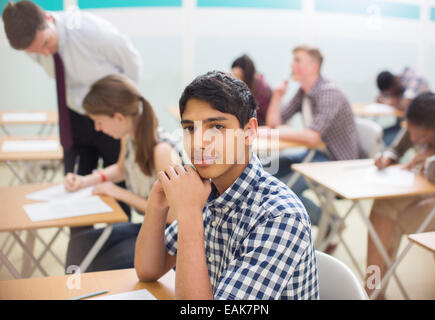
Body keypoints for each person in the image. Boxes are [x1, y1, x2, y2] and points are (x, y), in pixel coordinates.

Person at [135, 71, 319, 299]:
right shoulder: (207, 191)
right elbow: (147, 270)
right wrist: (156, 205)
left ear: (249, 132)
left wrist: (189, 214)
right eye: (190, 128)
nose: (199, 142)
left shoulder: (280, 216)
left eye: (217, 127)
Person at [2, 1, 142, 221]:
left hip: (110, 117)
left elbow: (132, 63)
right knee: (74, 188)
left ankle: (119, 243)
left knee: (117, 191)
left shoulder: (91, 31)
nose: (46, 53)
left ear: (48, 19)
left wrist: (121, 107)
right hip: (74, 116)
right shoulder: (32, 41)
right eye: (37, 52)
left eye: (47, 43)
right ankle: (81, 247)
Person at [63, 74, 183, 272]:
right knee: (79, 243)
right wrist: (85, 181)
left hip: (170, 235)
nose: (97, 128)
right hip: (149, 228)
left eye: (99, 122)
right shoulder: (129, 137)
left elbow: (172, 216)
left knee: (104, 263)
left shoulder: (162, 151)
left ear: (118, 117)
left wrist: (118, 193)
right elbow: (121, 169)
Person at [265, 45, 360, 237]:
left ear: (313, 66)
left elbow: (312, 136)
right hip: (316, 154)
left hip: (336, 162)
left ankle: (332, 224)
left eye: (298, 60)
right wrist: (277, 96)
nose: (292, 65)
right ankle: (326, 221)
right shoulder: (304, 92)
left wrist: (269, 134)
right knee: (267, 171)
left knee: (284, 190)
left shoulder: (328, 92)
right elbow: (274, 123)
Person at [366, 92, 435, 299]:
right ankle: (372, 290)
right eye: (410, 131)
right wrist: (387, 157)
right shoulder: (424, 118)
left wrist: (428, 158)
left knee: (391, 222)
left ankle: (374, 289)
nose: (414, 139)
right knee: (382, 207)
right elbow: (397, 148)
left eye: (420, 137)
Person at [376, 67, 430, 146]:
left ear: (394, 83)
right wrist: (390, 101)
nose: (391, 94)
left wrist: (390, 101)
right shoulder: (394, 85)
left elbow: (405, 105)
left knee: (389, 139)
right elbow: (379, 98)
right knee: (382, 134)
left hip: (421, 125)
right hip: (404, 124)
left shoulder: (413, 79)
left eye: (391, 91)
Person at [231, 54, 272, 125]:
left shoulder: (263, 91)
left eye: (238, 76)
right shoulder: (240, 90)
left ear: (246, 75)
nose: (235, 80)